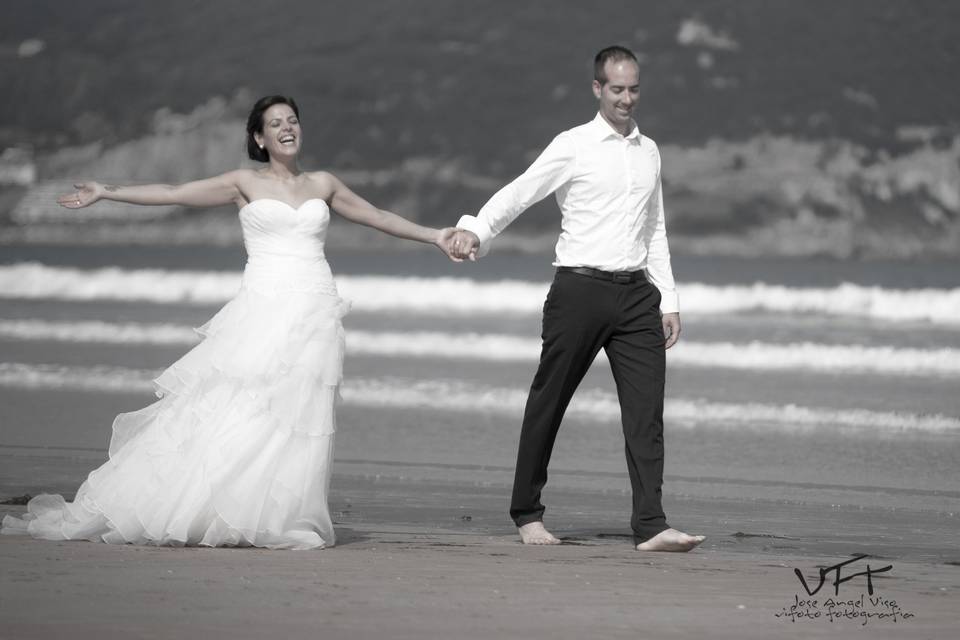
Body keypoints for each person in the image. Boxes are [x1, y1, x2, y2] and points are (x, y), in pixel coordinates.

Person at [1, 95, 461, 549]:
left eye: (293, 120)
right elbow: (174, 194)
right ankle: (209, 506)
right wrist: (107, 192)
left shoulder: (323, 183)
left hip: (316, 309)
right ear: (259, 137)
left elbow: (377, 216)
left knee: (297, 418)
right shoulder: (242, 182)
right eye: (276, 122)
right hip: (262, 306)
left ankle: (272, 516)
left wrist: (436, 235)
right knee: (240, 407)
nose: (287, 127)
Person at [450, 46, 705, 551]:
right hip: (578, 290)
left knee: (646, 412)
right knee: (550, 401)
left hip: (637, 297)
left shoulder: (649, 151)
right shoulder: (574, 145)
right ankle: (527, 513)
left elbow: (655, 228)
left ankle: (651, 524)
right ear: (597, 89)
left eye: (633, 88)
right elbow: (522, 191)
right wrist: (476, 228)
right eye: (617, 89)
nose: (627, 98)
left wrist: (668, 298)